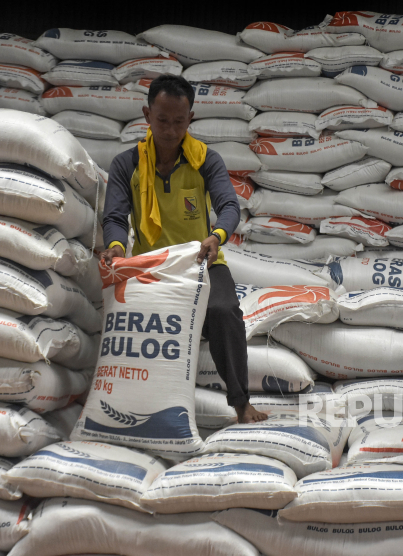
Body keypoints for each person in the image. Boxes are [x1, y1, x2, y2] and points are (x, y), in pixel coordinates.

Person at [99, 74, 267, 424]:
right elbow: (115, 216)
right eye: (162, 120)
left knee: (223, 313)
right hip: (152, 265)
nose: (171, 130)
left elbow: (230, 206)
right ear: (147, 115)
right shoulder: (126, 165)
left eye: (179, 121)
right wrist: (116, 248)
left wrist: (217, 235)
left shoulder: (206, 160)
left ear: (191, 119)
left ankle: (240, 403)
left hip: (201, 261)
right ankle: (135, 403)